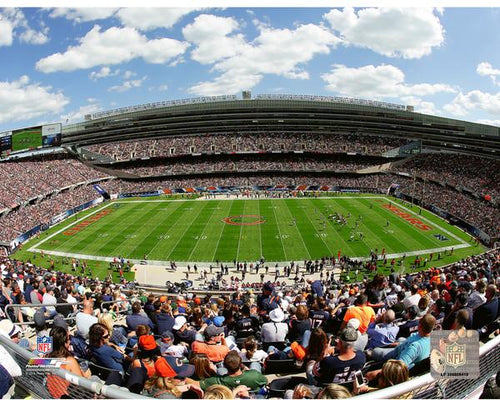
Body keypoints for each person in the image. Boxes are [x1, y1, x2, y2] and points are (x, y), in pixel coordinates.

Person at [371, 314, 436, 370]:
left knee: (375, 351)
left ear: (420, 326)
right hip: (403, 347)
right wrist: (400, 344)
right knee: (400, 339)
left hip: (397, 355)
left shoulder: (414, 348)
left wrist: (377, 373)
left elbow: (398, 368)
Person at [45, 326, 92, 398]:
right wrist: (87, 376)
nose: (70, 342)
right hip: (67, 396)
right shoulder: (69, 361)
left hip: (53, 393)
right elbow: (81, 385)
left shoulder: (46, 356)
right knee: (94, 378)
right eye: (68, 339)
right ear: (63, 343)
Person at [195, 350, 267, 391]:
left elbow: (195, 384)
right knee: (254, 364)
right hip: (253, 396)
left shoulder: (217, 380)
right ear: (241, 364)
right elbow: (265, 381)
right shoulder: (254, 375)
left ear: (225, 366)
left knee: (220, 370)